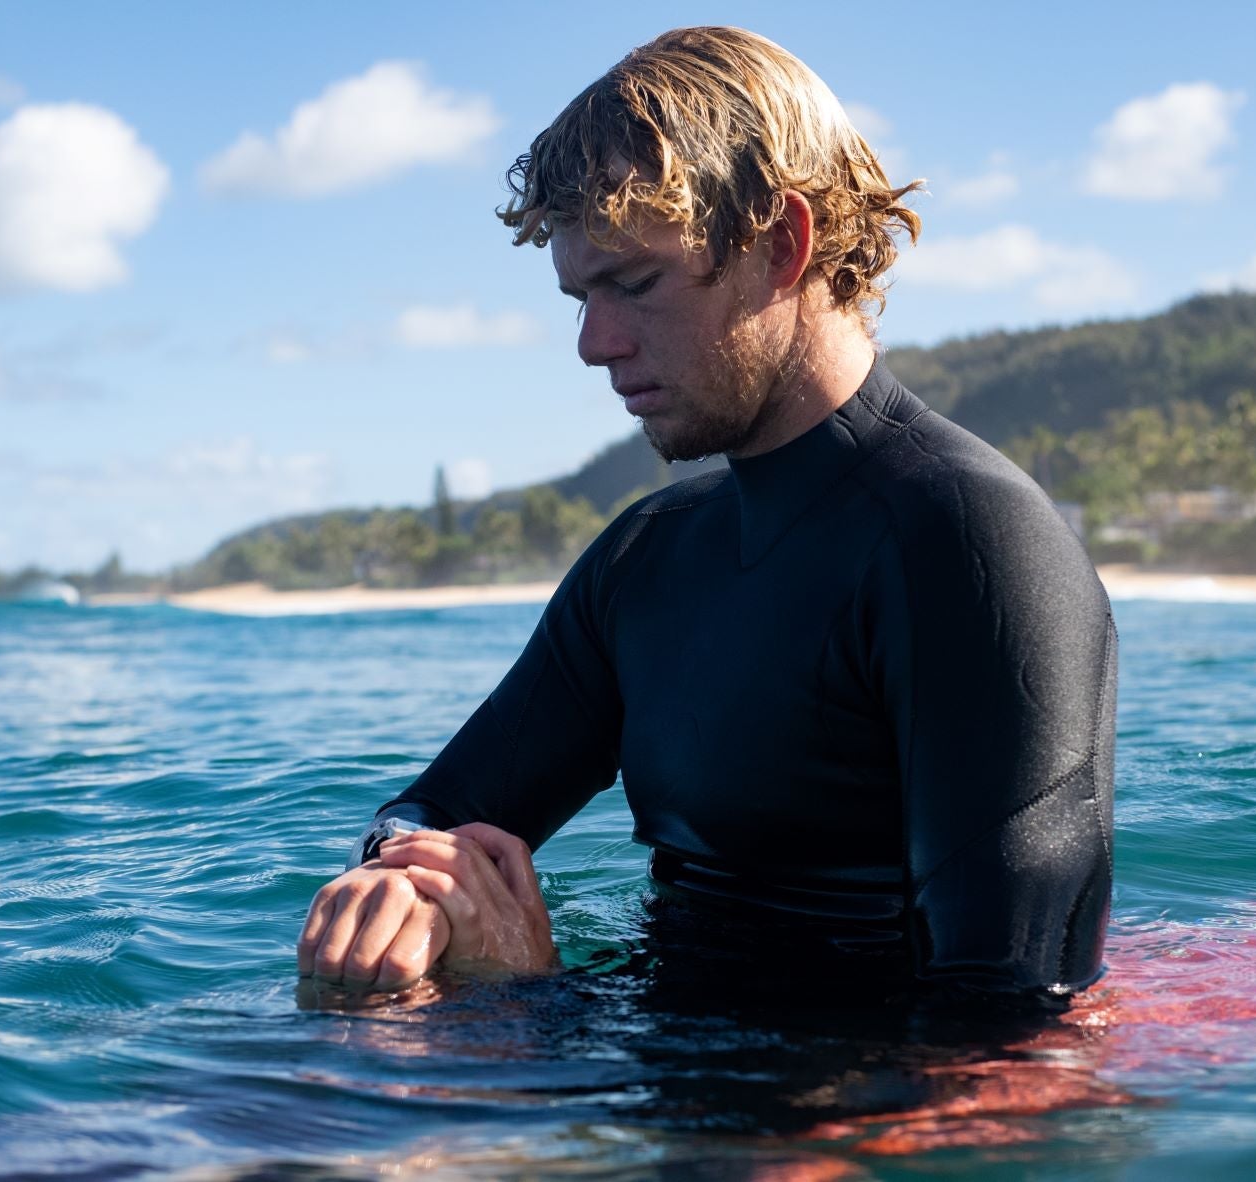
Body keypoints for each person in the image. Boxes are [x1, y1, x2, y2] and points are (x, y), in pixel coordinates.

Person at [298, 26, 1116, 1009]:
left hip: (812, 1125)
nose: (593, 343)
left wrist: (536, 1011)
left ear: (781, 245)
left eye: (633, 284)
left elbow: (1011, 1031)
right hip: (651, 1064)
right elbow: (439, 802)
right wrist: (404, 875)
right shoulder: (647, 559)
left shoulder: (967, 543)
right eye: (578, 294)